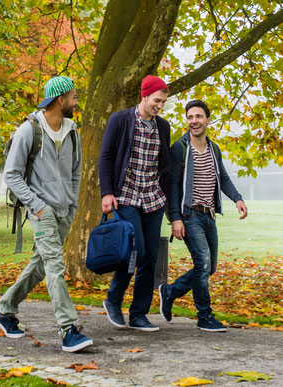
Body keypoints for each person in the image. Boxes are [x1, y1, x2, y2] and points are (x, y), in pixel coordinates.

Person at [0, 76, 93, 353]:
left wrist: (72, 205)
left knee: (40, 265)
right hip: (41, 211)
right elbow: (12, 175)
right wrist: (37, 205)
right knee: (55, 266)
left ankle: (5, 310)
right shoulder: (29, 130)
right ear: (60, 100)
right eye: (73, 96)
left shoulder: (73, 131)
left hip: (64, 211)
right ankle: (68, 329)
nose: (75, 101)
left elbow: (75, 172)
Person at [159, 100, 247, 332]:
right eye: (190, 117)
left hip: (209, 215)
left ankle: (169, 292)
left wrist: (237, 198)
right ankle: (204, 316)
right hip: (190, 215)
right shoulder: (180, 148)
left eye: (198, 116)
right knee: (203, 263)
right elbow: (174, 185)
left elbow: (223, 178)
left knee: (210, 267)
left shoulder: (213, 148)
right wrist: (175, 218)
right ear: (186, 121)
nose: (194, 121)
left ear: (208, 119)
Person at [98, 75, 171, 332]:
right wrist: (107, 192)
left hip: (152, 199)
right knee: (135, 250)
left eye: (163, 102)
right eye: (156, 100)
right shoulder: (121, 119)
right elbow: (105, 157)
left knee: (150, 258)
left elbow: (165, 166)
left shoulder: (163, 126)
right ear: (144, 95)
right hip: (126, 196)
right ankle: (113, 299)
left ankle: (139, 314)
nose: (159, 106)